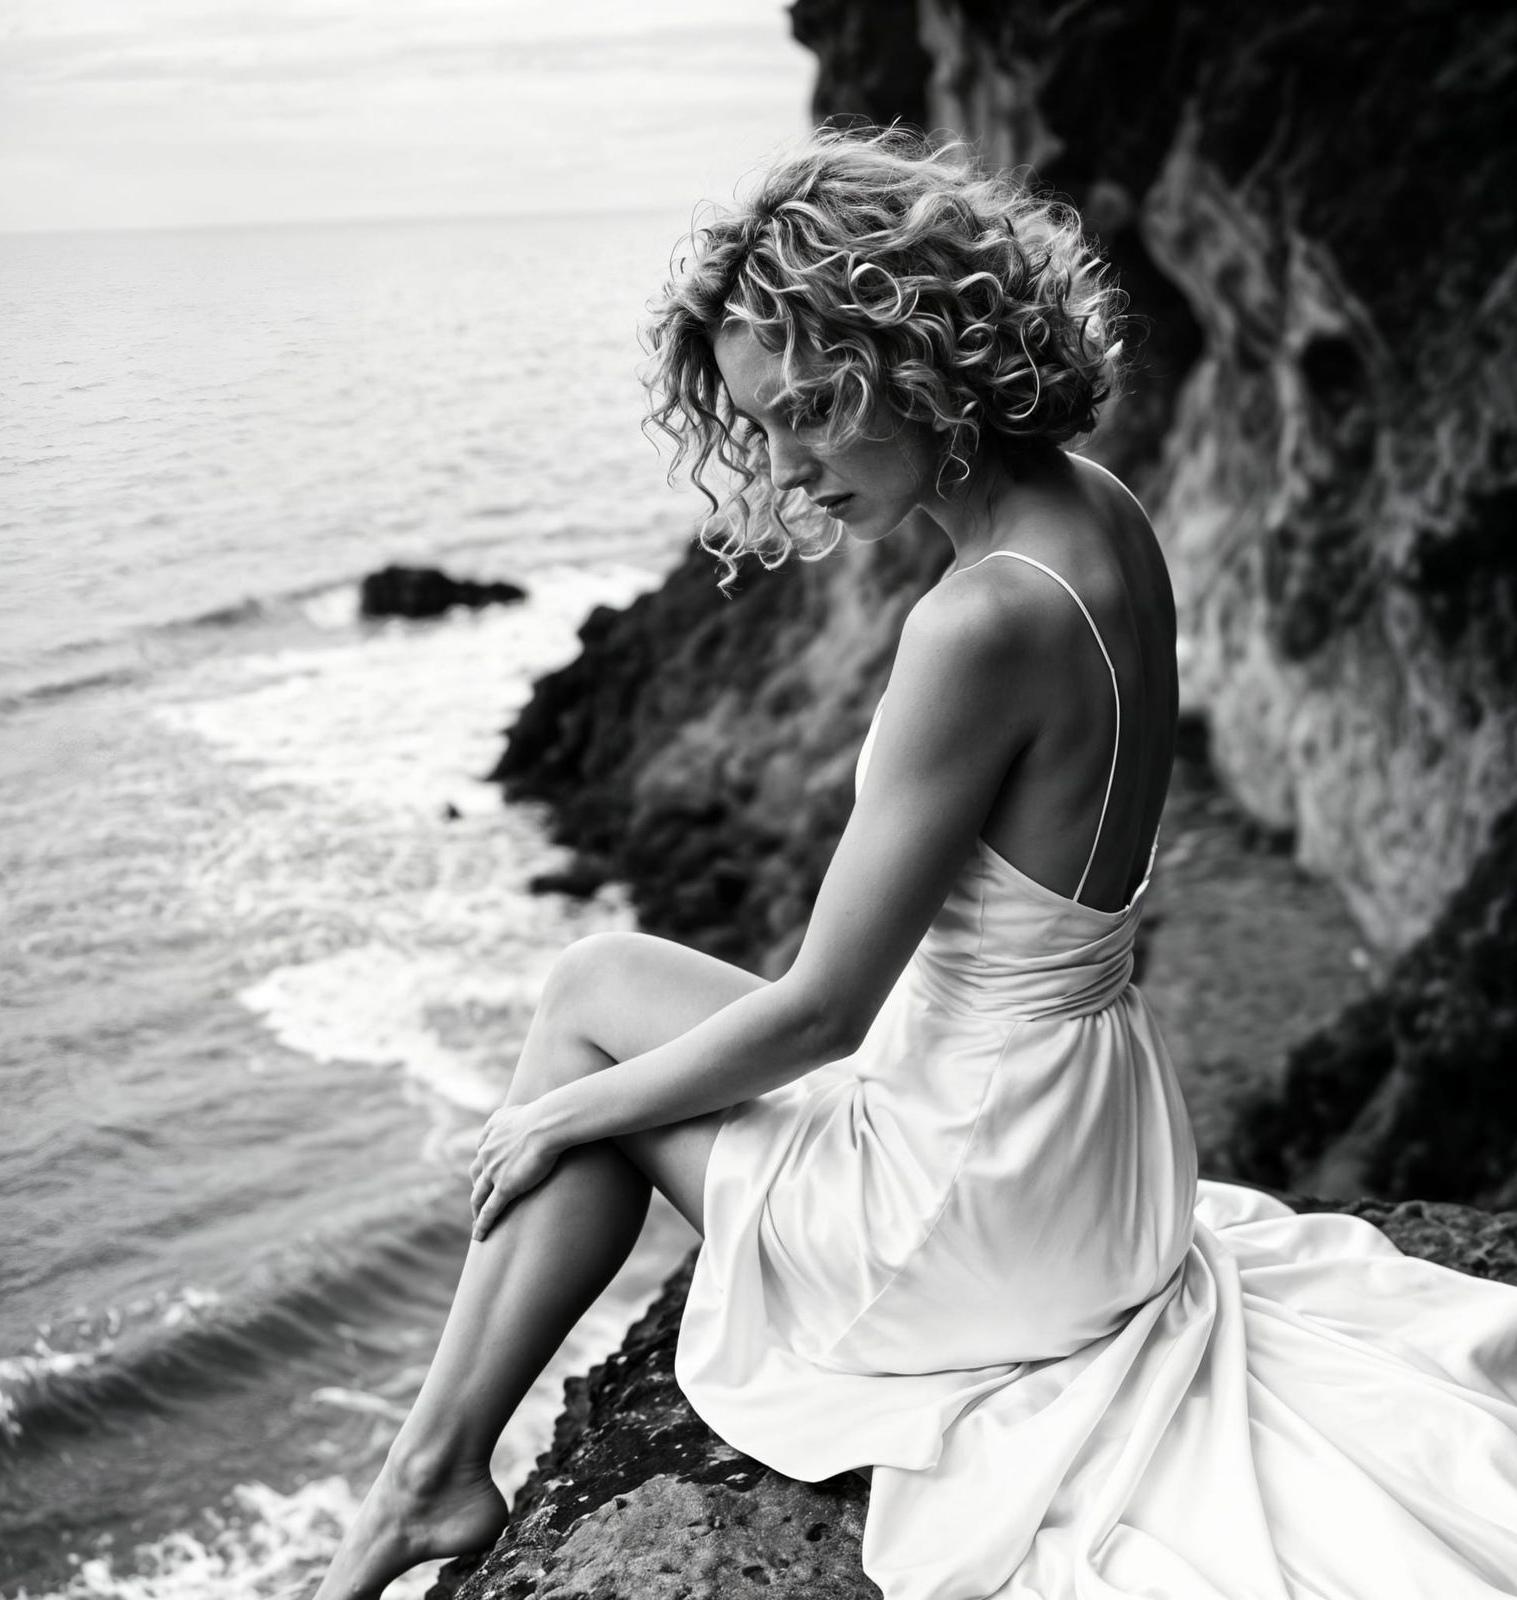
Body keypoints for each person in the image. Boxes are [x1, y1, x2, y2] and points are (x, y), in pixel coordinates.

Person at [315, 131, 1517, 1600]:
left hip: (982, 1204)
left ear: (921, 355)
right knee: (604, 981)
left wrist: (574, 1109)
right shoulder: (1105, 514)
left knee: (585, 1025)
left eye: (817, 406)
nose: (792, 461)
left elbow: (826, 1010)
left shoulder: (977, 623)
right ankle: (426, 1474)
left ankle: (423, 1483)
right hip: (1102, 1152)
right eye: (767, 425)